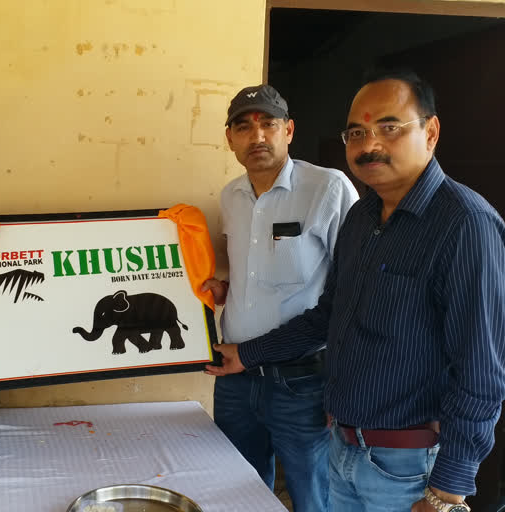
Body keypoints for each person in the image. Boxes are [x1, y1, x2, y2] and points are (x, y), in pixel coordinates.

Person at [206, 69, 505, 512]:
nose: (369, 145)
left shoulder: (465, 224)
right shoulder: (363, 219)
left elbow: (481, 372)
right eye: (357, 133)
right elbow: (330, 315)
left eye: (389, 128)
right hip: (343, 446)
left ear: (431, 131)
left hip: (407, 465)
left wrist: (447, 492)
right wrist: (245, 353)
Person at [201, 84, 358, 512]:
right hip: (233, 377)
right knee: (237, 492)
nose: (257, 137)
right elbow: (265, 278)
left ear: (288, 130)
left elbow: (351, 293)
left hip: (301, 380)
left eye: (268, 124)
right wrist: (226, 291)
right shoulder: (230, 197)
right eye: (243, 127)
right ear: (229, 138)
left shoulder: (328, 188)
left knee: (314, 496)